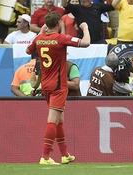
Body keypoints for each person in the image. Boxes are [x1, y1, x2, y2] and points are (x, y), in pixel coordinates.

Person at [26, 12, 90, 165]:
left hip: (46, 85)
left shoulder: (39, 39)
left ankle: (65, 154)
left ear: (46, 25)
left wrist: (42, 32)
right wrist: (85, 28)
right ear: (59, 24)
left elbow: (28, 51)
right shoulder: (61, 39)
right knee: (53, 120)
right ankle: (45, 157)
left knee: (59, 120)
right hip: (58, 86)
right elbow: (86, 43)